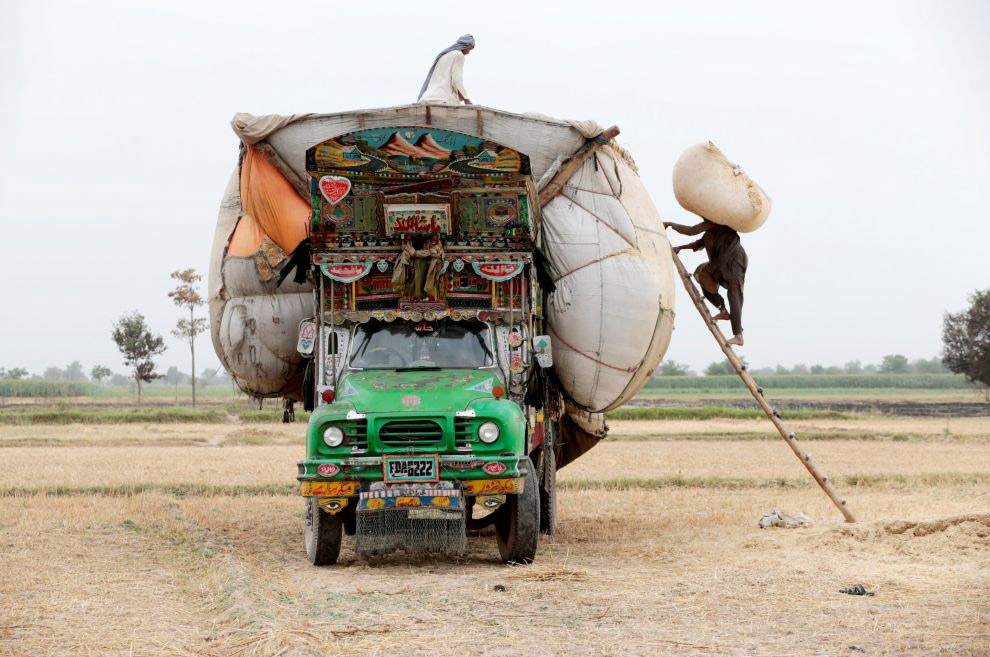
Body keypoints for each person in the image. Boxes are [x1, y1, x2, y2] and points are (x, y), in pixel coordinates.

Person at [665, 218, 748, 346]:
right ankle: (723, 310)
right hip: (718, 266)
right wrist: (680, 248)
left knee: (734, 295)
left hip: (734, 262)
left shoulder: (723, 225)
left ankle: (738, 336)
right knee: (701, 274)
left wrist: (671, 225)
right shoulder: (708, 232)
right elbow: (697, 243)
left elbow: (691, 231)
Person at [417, 35, 475, 105]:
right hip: (444, 98)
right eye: (470, 49)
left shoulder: (444, 55)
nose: (469, 52)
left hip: (428, 96)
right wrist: (466, 99)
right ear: (465, 46)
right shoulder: (459, 55)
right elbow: (456, 80)